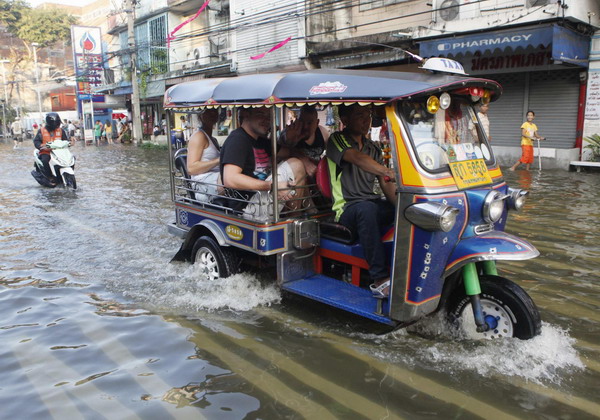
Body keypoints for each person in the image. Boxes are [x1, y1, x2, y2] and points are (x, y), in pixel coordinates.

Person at [325, 104, 397, 298]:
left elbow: (385, 183)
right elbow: (355, 158)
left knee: (405, 212)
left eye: (368, 115)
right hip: (347, 209)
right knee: (366, 210)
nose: (367, 120)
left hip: (370, 204)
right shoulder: (337, 140)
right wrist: (386, 170)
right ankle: (380, 279)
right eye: (360, 115)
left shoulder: (374, 148)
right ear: (345, 120)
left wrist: (402, 207)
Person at [220, 107, 307, 221]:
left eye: (269, 117)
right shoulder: (237, 139)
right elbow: (230, 178)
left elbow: (288, 152)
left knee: (298, 164)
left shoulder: (261, 141)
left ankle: (307, 214)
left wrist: (293, 140)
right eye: (261, 114)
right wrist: (272, 186)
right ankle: (292, 222)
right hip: (247, 208)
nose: (267, 120)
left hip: (261, 200)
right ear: (246, 114)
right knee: (296, 165)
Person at [278, 105, 330, 178]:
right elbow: (281, 147)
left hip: (317, 176)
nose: (305, 126)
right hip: (294, 177)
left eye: (309, 123)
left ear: (317, 122)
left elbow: (332, 155)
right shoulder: (290, 132)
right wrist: (290, 140)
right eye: (302, 121)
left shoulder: (323, 133)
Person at [187, 109, 222, 201]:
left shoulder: (213, 139)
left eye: (214, 111)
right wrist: (219, 160)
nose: (213, 114)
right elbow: (191, 168)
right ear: (201, 116)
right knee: (231, 178)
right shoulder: (198, 136)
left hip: (215, 178)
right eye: (208, 112)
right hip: (202, 182)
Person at [33, 112, 69, 185]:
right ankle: (50, 177)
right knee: (45, 160)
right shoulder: (42, 130)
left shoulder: (61, 130)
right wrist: (41, 146)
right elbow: (36, 141)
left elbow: (65, 140)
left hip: (60, 152)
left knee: (71, 158)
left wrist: (69, 143)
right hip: (46, 152)